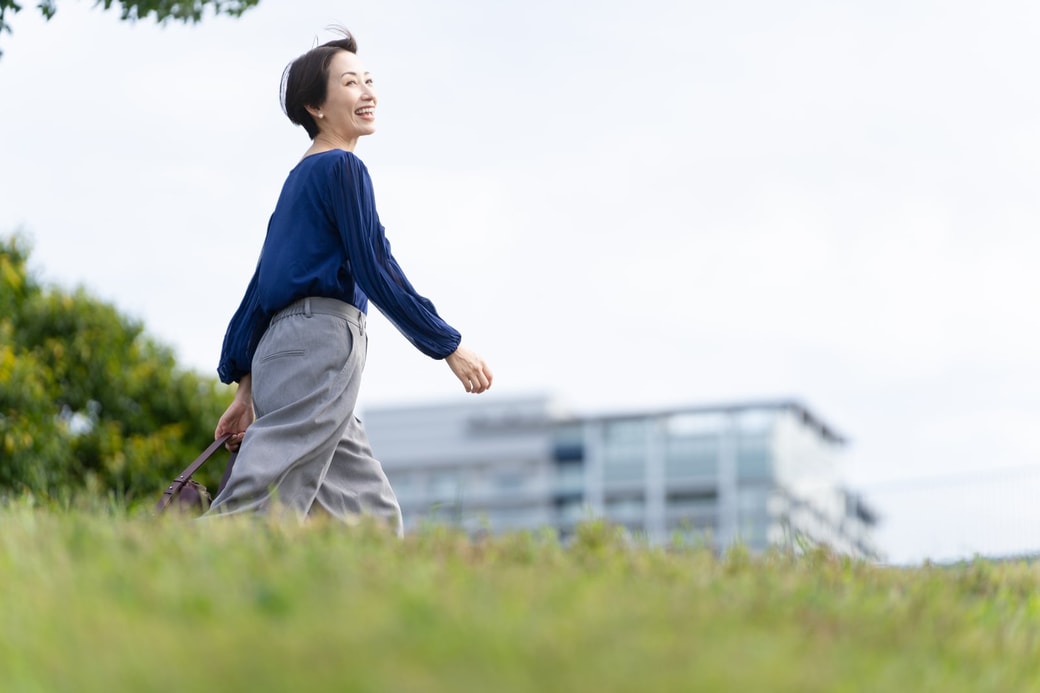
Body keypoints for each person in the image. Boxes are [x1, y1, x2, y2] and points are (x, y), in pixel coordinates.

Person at [207, 30, 493, 532]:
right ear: (316, 105)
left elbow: (261, 289)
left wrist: (246, 389)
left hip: (285, 352)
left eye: (368, 81)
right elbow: (375, 266)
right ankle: (156, 565)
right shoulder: (343, 169)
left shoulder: (300, 177)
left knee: (371, 519)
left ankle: (363, 608)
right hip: (317, 345)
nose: (367, 92)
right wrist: (448, 345)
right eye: (350, 83)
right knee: (264, 502)